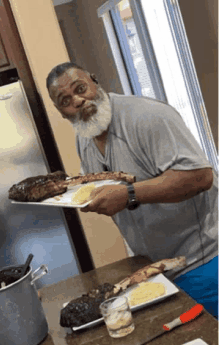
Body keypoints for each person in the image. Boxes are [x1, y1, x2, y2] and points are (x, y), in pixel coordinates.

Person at [46, 62, 218, 318]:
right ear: (61, 113)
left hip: (206, 261)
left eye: (80, 88)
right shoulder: (84, 137)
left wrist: (128, 194)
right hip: (159, 271)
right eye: (66, 100)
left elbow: (200, 176)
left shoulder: (147, 116)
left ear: (95, 81)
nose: (78, 100)